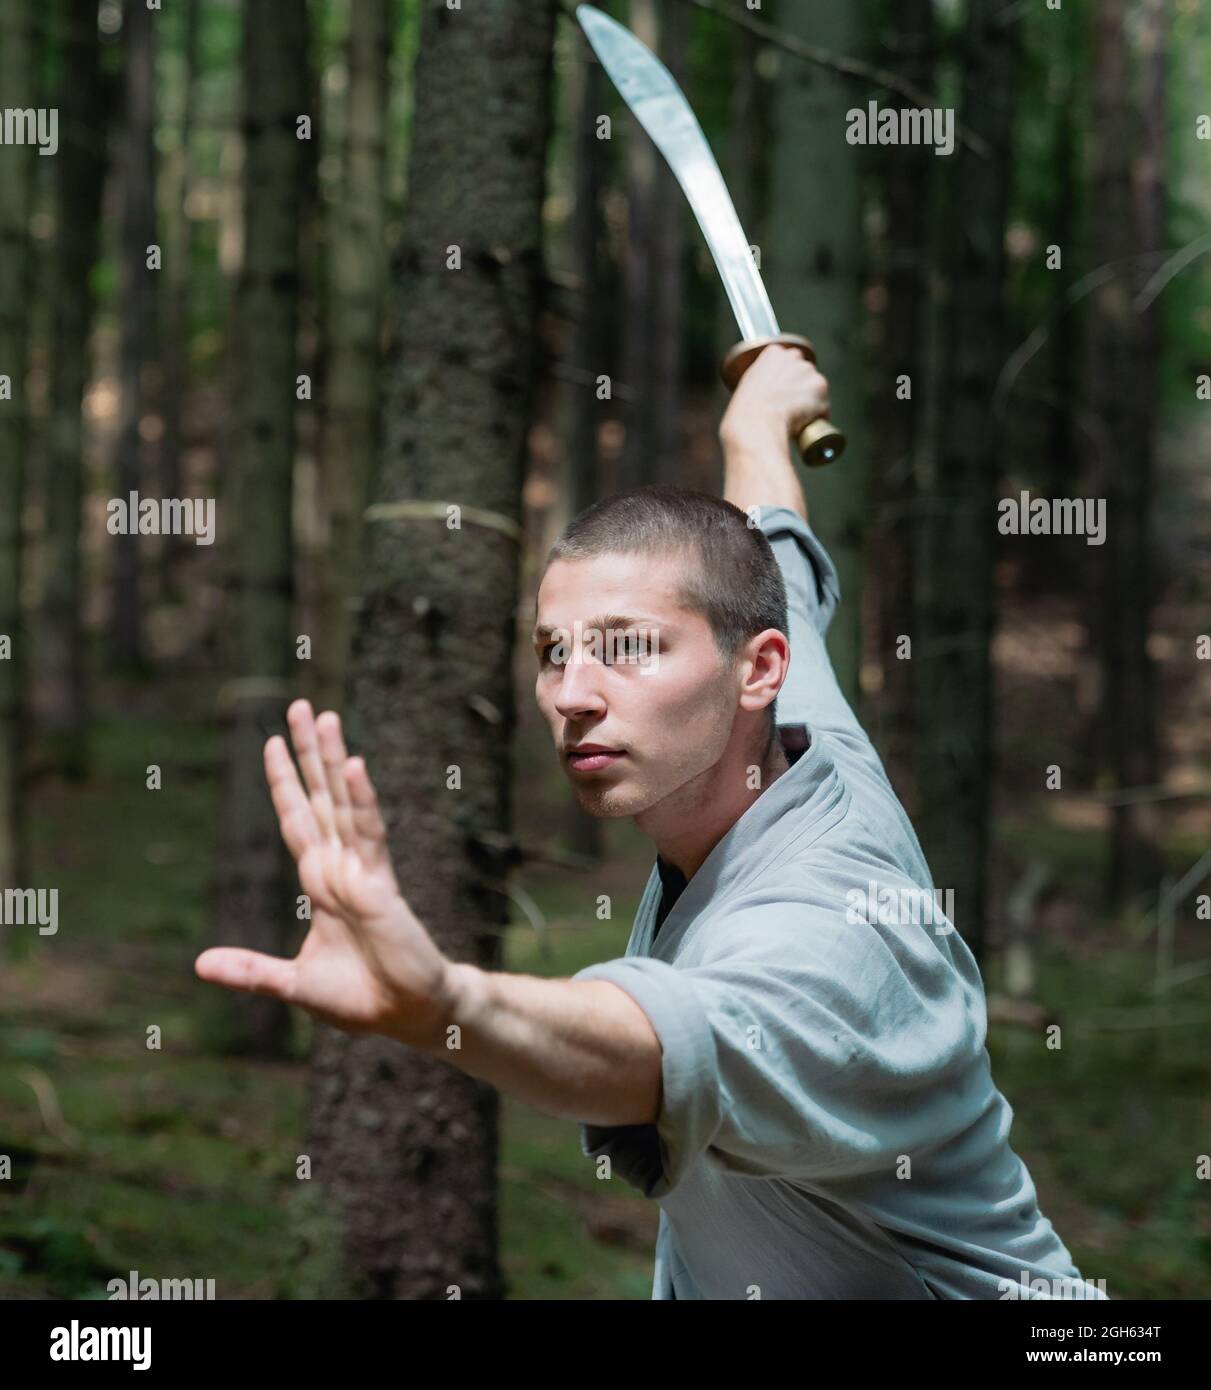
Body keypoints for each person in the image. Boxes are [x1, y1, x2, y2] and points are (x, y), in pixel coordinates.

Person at [196, 345, 1107, 1300]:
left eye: (628, 649)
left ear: (757, 669)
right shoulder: (790, 723)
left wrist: (445, 1006)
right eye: (555, 652)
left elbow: (648, 1045)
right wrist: (752, 424)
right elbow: (776, 554)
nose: (574, 695)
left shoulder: (832, 930)